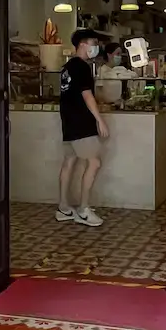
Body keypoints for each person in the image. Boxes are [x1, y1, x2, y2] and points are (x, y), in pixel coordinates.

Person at [58, 29, 108, 226]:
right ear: (82, 45)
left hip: (68, 123)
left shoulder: (67, 67)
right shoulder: (82, 67)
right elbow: (87, 95)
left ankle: (63, 207)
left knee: (69, 162)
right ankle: (84, 209)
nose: (96, 47)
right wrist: (99, 119)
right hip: (81, 123)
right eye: (93, 43)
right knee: (94, 163)